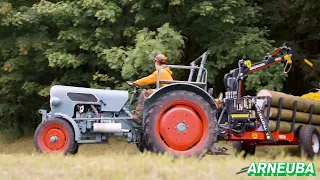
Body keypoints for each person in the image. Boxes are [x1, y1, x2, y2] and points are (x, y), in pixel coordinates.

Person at [128, 53, 173, 123]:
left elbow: (147, 79)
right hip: (166, 93)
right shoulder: (166, 71)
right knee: (147, 91)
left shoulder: (161, 72)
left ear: (156, 62)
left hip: (164, 94)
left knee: (144, 93)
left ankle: (137, 116)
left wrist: (135, 83)